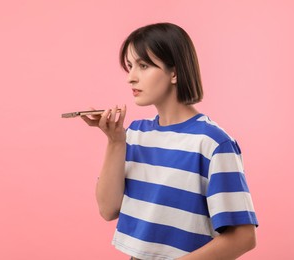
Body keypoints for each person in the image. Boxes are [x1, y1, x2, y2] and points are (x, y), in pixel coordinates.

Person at [81, 22, 258, 260]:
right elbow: (107, 209)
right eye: (130, 67)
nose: (131, 78)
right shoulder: (134, 134)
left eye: (143, 66)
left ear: (174, 72)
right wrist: (115, 141)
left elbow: (243, 237)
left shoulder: (213, 143)